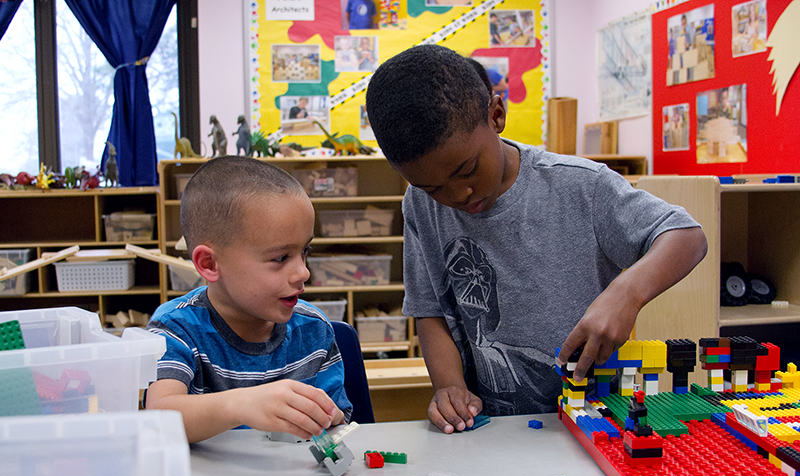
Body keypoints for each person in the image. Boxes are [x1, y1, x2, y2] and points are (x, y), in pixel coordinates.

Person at [365, 45, 707, 434]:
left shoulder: (580, 186)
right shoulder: (421, 205)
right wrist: (449, 387)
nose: (457, 195)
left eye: (468, 170)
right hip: (494, 431)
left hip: (594, 424)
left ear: (496, 115)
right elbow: (429, 310)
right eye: (432, 187)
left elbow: (686, 236)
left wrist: (627, 292)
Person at [145, 156, 352, 443]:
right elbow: (158, 419)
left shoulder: (313, 329)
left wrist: (329, 418)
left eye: (305, 251)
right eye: (280, 258)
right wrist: (242, 405)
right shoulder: (176, 329)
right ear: (210, 264)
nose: (303, 272)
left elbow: (334, 428)